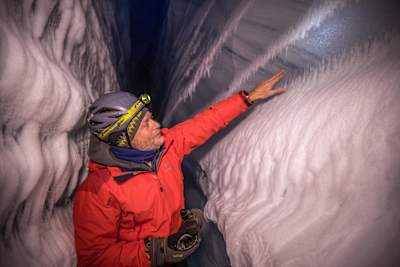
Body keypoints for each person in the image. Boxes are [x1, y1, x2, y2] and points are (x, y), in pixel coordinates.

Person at [73, 70, 285, 267]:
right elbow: (94, 259)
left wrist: (247, 98)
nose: (156, 125)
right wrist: (157, 251)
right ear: (122, 139)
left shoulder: (168, 145)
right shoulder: (97, 191)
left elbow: (205, 123)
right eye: (146, 124)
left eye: (150, 118)